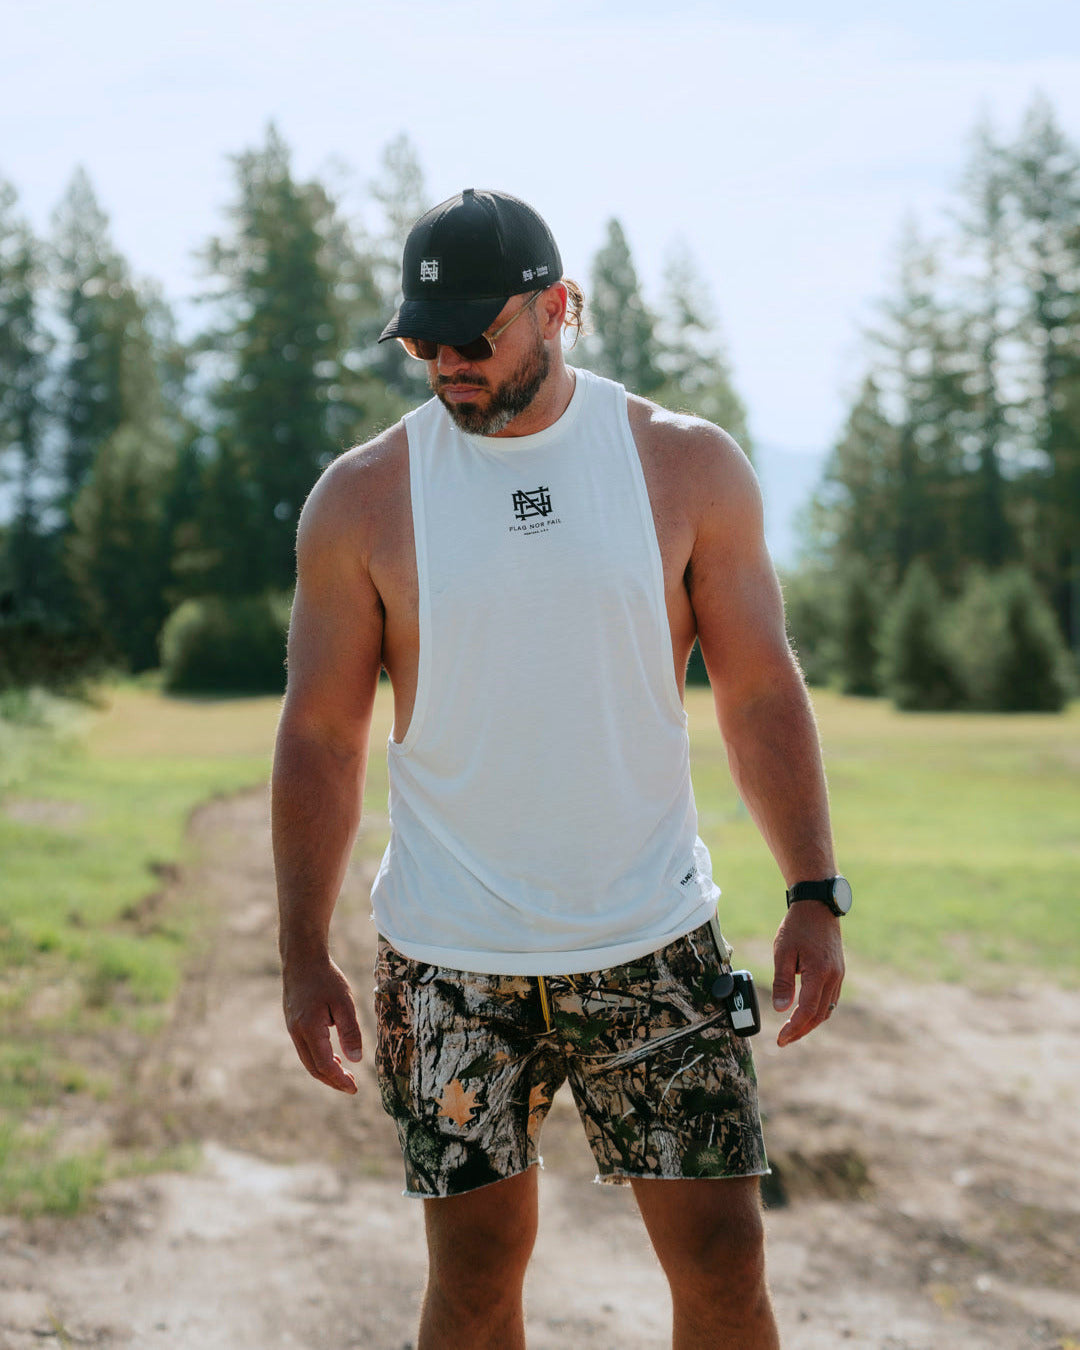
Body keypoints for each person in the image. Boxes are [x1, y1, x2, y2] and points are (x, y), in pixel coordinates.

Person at [273, 187, 849, 1350]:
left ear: (558, 309)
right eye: (424, 344)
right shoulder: (364, 499)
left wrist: (812, 890)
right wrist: (300, 951)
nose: (447, 365)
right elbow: (323, 736)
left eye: (473, 337)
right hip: (448, 960)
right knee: (476, 1278)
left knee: (726, 1262)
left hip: (652, 939)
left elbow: (756, 691)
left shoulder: (682, 466)